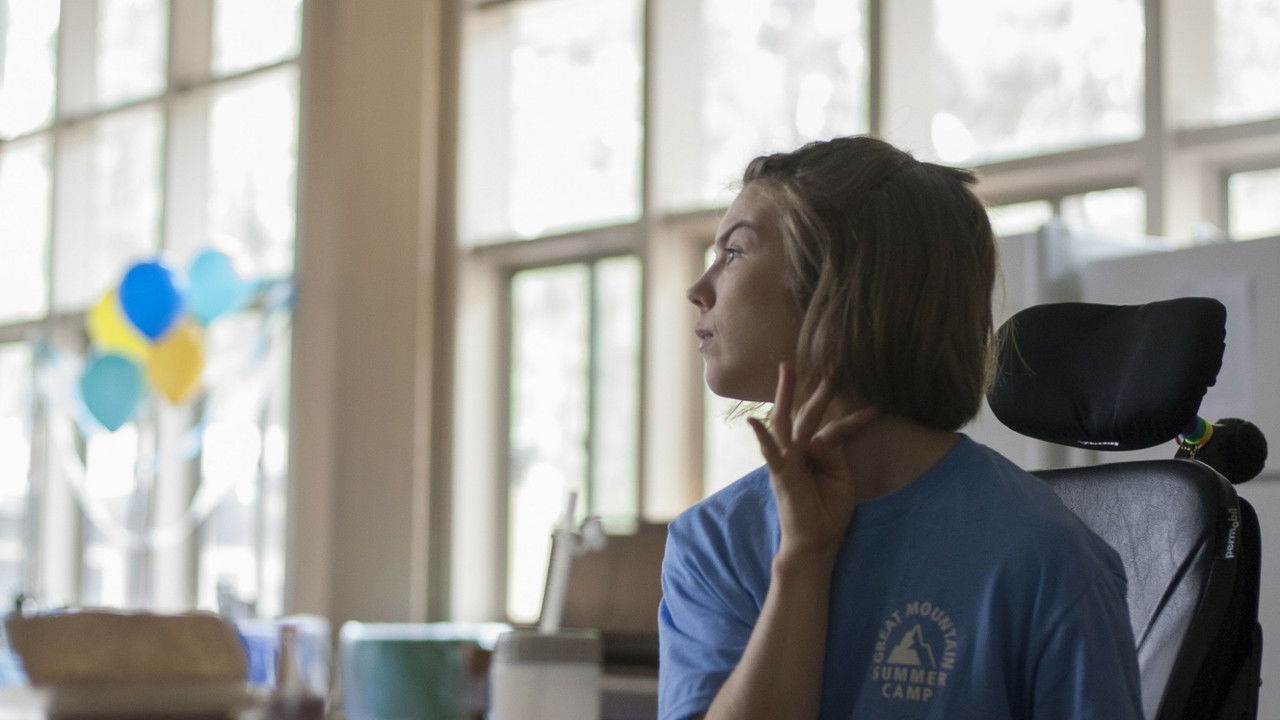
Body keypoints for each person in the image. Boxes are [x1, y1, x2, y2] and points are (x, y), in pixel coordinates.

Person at [657, 136, 1143, 720]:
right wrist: (802, 560)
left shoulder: (1046, 557)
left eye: (734, 253)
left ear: (843, 283)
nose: (698, 290)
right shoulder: (713, 543)